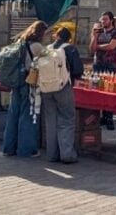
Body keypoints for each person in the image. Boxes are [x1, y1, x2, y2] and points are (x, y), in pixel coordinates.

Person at [2, 20, 47, 158]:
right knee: (27, 115)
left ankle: (9, 148)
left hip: (16, 81)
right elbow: (47, 61)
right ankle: (25, 149)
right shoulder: (37, 47)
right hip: (28, 82)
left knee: (13, 114)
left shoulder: (19, 43)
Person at [43, 27, 83, 164]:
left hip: (46, 87)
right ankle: (67, 154)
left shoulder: (47, 48)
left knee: (50, 121)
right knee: (66, 119)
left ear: (57, 36)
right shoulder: (70, 49)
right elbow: (78, 70)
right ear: (69, 38)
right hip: (63, 86)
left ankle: (51, 154)